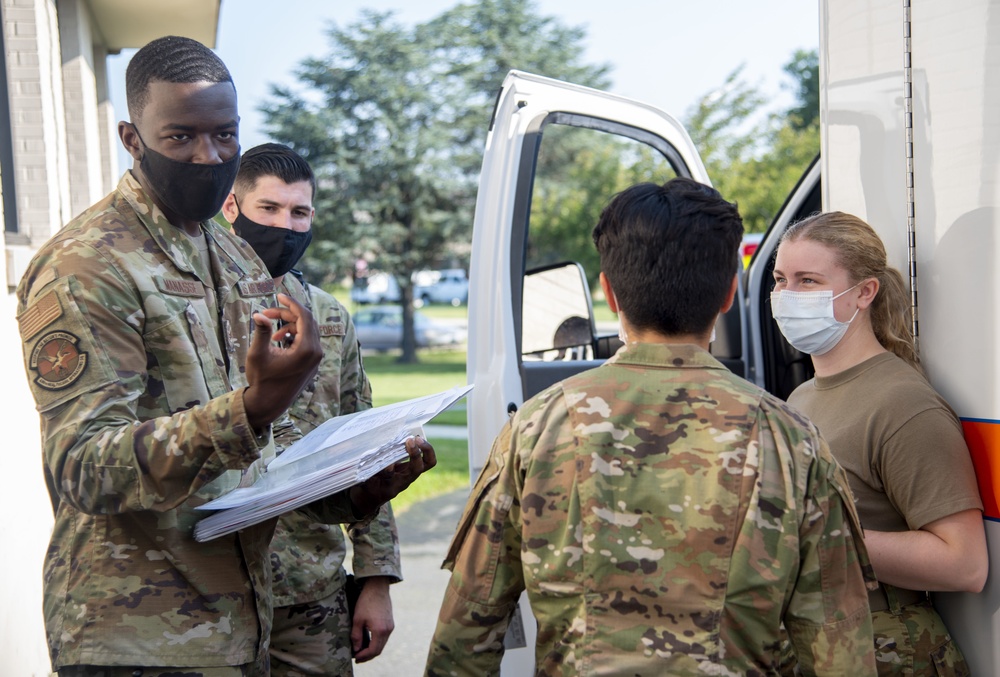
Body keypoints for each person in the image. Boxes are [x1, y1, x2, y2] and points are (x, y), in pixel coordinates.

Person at [15, 35, 434, 677]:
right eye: (180, 136)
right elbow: (82, 465)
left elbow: (254, 471)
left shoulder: (232, 254)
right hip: (138, 638)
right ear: (133, 138)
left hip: (245, 629)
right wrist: (252, 407)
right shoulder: (87, 265)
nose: (208, 157)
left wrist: (353, 494)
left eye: (225, 136)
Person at [425, 178, 878, 676]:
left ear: (609, 294)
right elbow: (839, 647)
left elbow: (466, 634)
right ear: (729, 293)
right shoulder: (792, 439)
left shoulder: (537, 426)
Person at [771, 211, 987, 675]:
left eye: (808, 281)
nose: (787, 297)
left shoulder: (902, 404)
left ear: (864, 293)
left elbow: (964, 563)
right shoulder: (802, 397)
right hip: (829, 649)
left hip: (888, 653)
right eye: (780, 279)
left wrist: (819, 538)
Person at [221, 143, 401, 676]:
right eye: (269, 209)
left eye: (299, 212)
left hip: (313, 592)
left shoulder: (330, 318)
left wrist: (376, 579)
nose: (286, 226)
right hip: (216, 595)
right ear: (232, 208)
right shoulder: (200, 310)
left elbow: (367, 444)